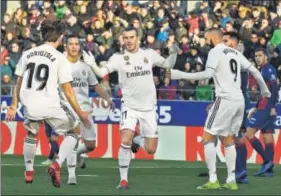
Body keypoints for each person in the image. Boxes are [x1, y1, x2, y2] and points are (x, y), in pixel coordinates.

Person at [171, 28, 271, 190]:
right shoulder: (234, 52)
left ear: (211, 38)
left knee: (207, 138)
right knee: (229, 138)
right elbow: (253, 70)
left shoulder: (215, 51)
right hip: (239, 100)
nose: (205, 40)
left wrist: (180, 74)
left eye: (206, 37)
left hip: (225, 99)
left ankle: (213, 179)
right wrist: (265, 90)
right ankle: (231, 180)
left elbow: (206, 74)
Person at [82, 26, 179, 189]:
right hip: (130, 106)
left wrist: (174, 52)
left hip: (149, 108)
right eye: (125, 37)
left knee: (151, 149)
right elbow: (101, 72)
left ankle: (136, 139)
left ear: (137, 38)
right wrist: (92, 64)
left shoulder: (148, 54)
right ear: (122, 39)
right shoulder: (118, 58)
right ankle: (123, 180)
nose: (128, 40)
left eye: (131, 37)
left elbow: (168, 63)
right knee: (124, 140)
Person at [5, 22, 91, 188]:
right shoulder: (59, 57)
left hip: (29, 103)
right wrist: (80, 112)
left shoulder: (27, 54)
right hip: (50, 103)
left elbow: (19, 83)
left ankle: (29, 171)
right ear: (59, 38)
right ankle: (56, 164)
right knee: (75, 131)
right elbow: (68, 90)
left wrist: (13, 105)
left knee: (31, 134)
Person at [63, 34, 114, 185]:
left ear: (79, 47)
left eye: (76, 44)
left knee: (91, 145)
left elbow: (96, 85)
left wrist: (107, 98)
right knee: (73, 138)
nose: (73, 46)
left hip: (86, 110)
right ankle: (72, 175)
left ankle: (78, 156)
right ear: (66, 46)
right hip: (69, 109)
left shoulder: (86, 67)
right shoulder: (60, 65)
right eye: (70, 43)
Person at [245, 48, 278, 177]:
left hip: (267, 107)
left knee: (249, 133)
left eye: (260, 55)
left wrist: (273, 106)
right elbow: (266, 91)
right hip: (264, 106)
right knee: (267, 137)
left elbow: (275, 88)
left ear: (266, 57)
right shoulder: (263, 70)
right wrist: (256, 107)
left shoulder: (268, 69)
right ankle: (268, 170)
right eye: (256, 56)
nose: (257, 58)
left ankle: (267, 161)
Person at [222, 32, 250, 184]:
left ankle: (241, 172)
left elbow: (241, 91)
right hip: (233, 104)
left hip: (237, 104)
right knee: (230, 138)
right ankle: (237, 172)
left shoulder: (240, 65)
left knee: (237, 139)